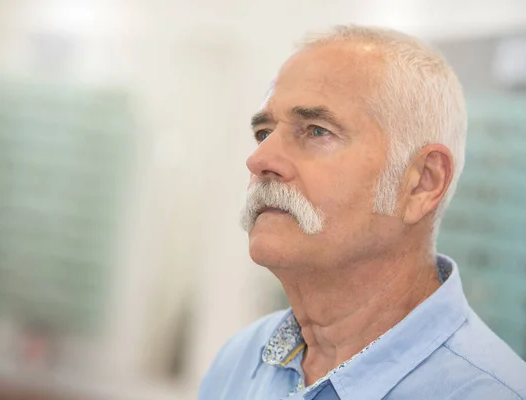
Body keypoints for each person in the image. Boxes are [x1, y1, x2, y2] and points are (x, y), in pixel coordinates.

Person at [199, 25, 526, 400]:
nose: (259, 159)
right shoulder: (240, 361)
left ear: (422, 182)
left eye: (316, 131)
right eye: (263, 133)